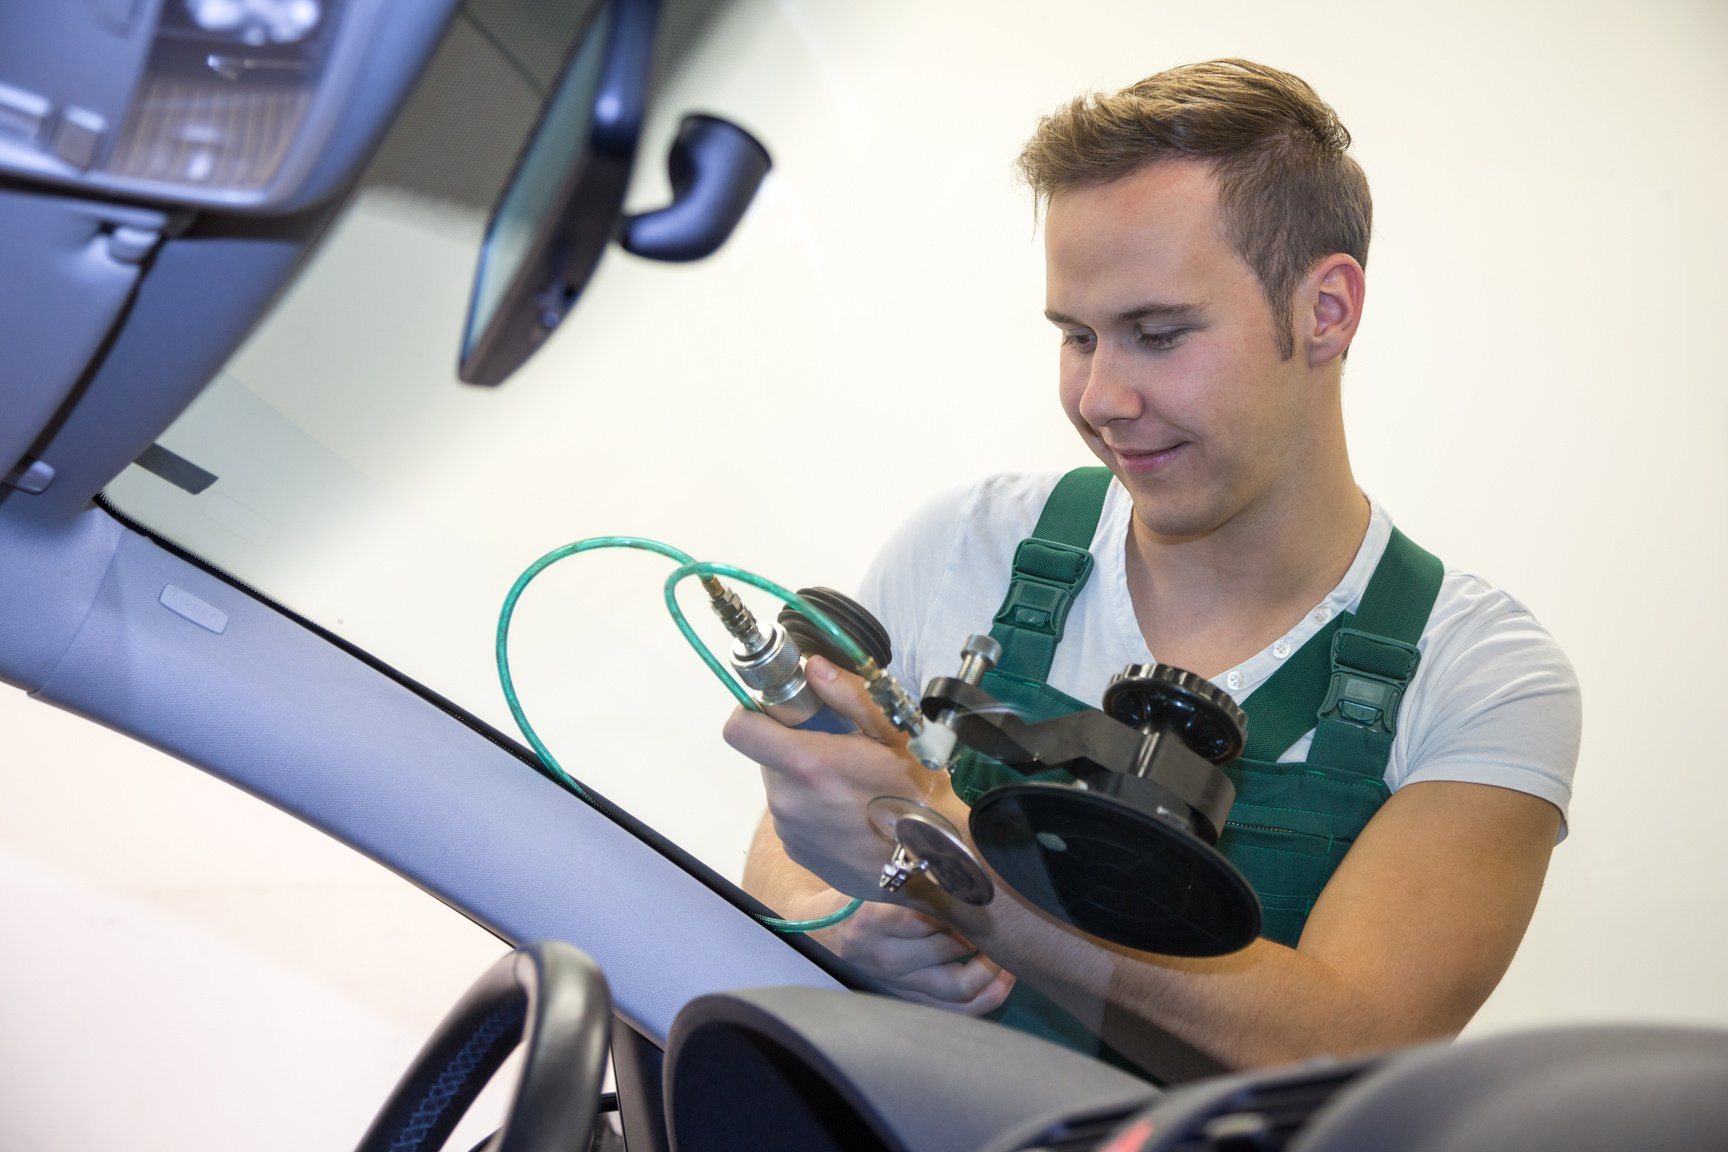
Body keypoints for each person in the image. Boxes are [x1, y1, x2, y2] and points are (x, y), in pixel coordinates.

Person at [726, 58, 1580, 1078]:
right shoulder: (965, 545)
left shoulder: (1482, 679)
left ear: (1327, 310)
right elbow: (800, 835)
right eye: (1077, 336)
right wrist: (832, 920)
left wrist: (953, 873)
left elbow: (1349, 1039)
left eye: (1157, 334)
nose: (1101, 397)